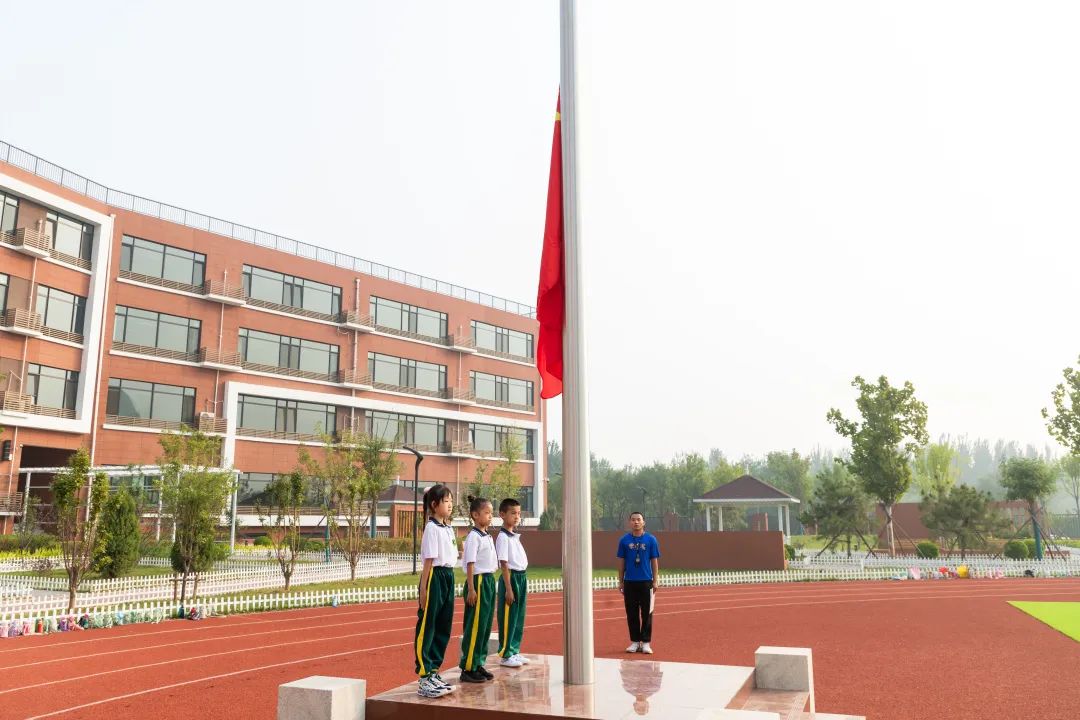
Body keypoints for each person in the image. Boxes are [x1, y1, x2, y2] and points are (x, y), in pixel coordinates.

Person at [414, 484, 458, 698]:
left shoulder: (448, 528)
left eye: (451, 501)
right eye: (446, 501)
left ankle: (433, 671)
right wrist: (423, 589)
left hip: (448, 576)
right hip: (435, 577)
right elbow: (428, 562)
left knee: (443, 625)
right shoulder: (431, 528)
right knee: (428, 624)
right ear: (434, 504)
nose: (450, 504)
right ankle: (424, 677)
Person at [458, 495, 498, 683]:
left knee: (485, 626)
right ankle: (468, 667)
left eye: (491, 513)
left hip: (489, 581)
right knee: (475, 626)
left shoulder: (487, 535)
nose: (490, 516)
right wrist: (472, 589)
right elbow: (470, 563)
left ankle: (478, 662)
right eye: (487, 513)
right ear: (475, 515)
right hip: (478, 581)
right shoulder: (474, 536)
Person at [616, 511, 661, 654]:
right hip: (630, 582)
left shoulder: (651, 540)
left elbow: (654, 561)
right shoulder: (624, 541)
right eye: (633, 520)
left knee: (647, 613)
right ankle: (635, 642)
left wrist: (655, 580)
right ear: (629, 522)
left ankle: (646, 642)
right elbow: (621, 562)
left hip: (646, 582)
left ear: (643, 522)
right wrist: (621, 581)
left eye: (639, 520)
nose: (636, 522)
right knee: (632, 613)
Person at [495, 497, 530, 668]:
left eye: (518, 513)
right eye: (512, 513)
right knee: (508, 617)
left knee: (518, 616)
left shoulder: (514, 536)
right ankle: (506, 653)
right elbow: (504, 563)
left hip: (521, 577)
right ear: (502, 514)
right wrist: (509, 589)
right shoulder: (503, 537)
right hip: (511, 578)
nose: (517, 517)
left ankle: (514, 650)